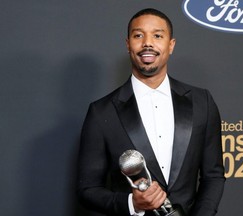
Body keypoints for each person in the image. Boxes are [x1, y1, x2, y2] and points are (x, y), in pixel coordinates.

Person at [77, 8, 225, 216]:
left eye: (157, 35)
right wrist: (132, 203)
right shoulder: (102, 111)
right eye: (138, 35)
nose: (148, 43)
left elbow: (214, 176)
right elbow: (88, 189)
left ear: (170, 45)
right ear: (128, 44)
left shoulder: (202, 102)